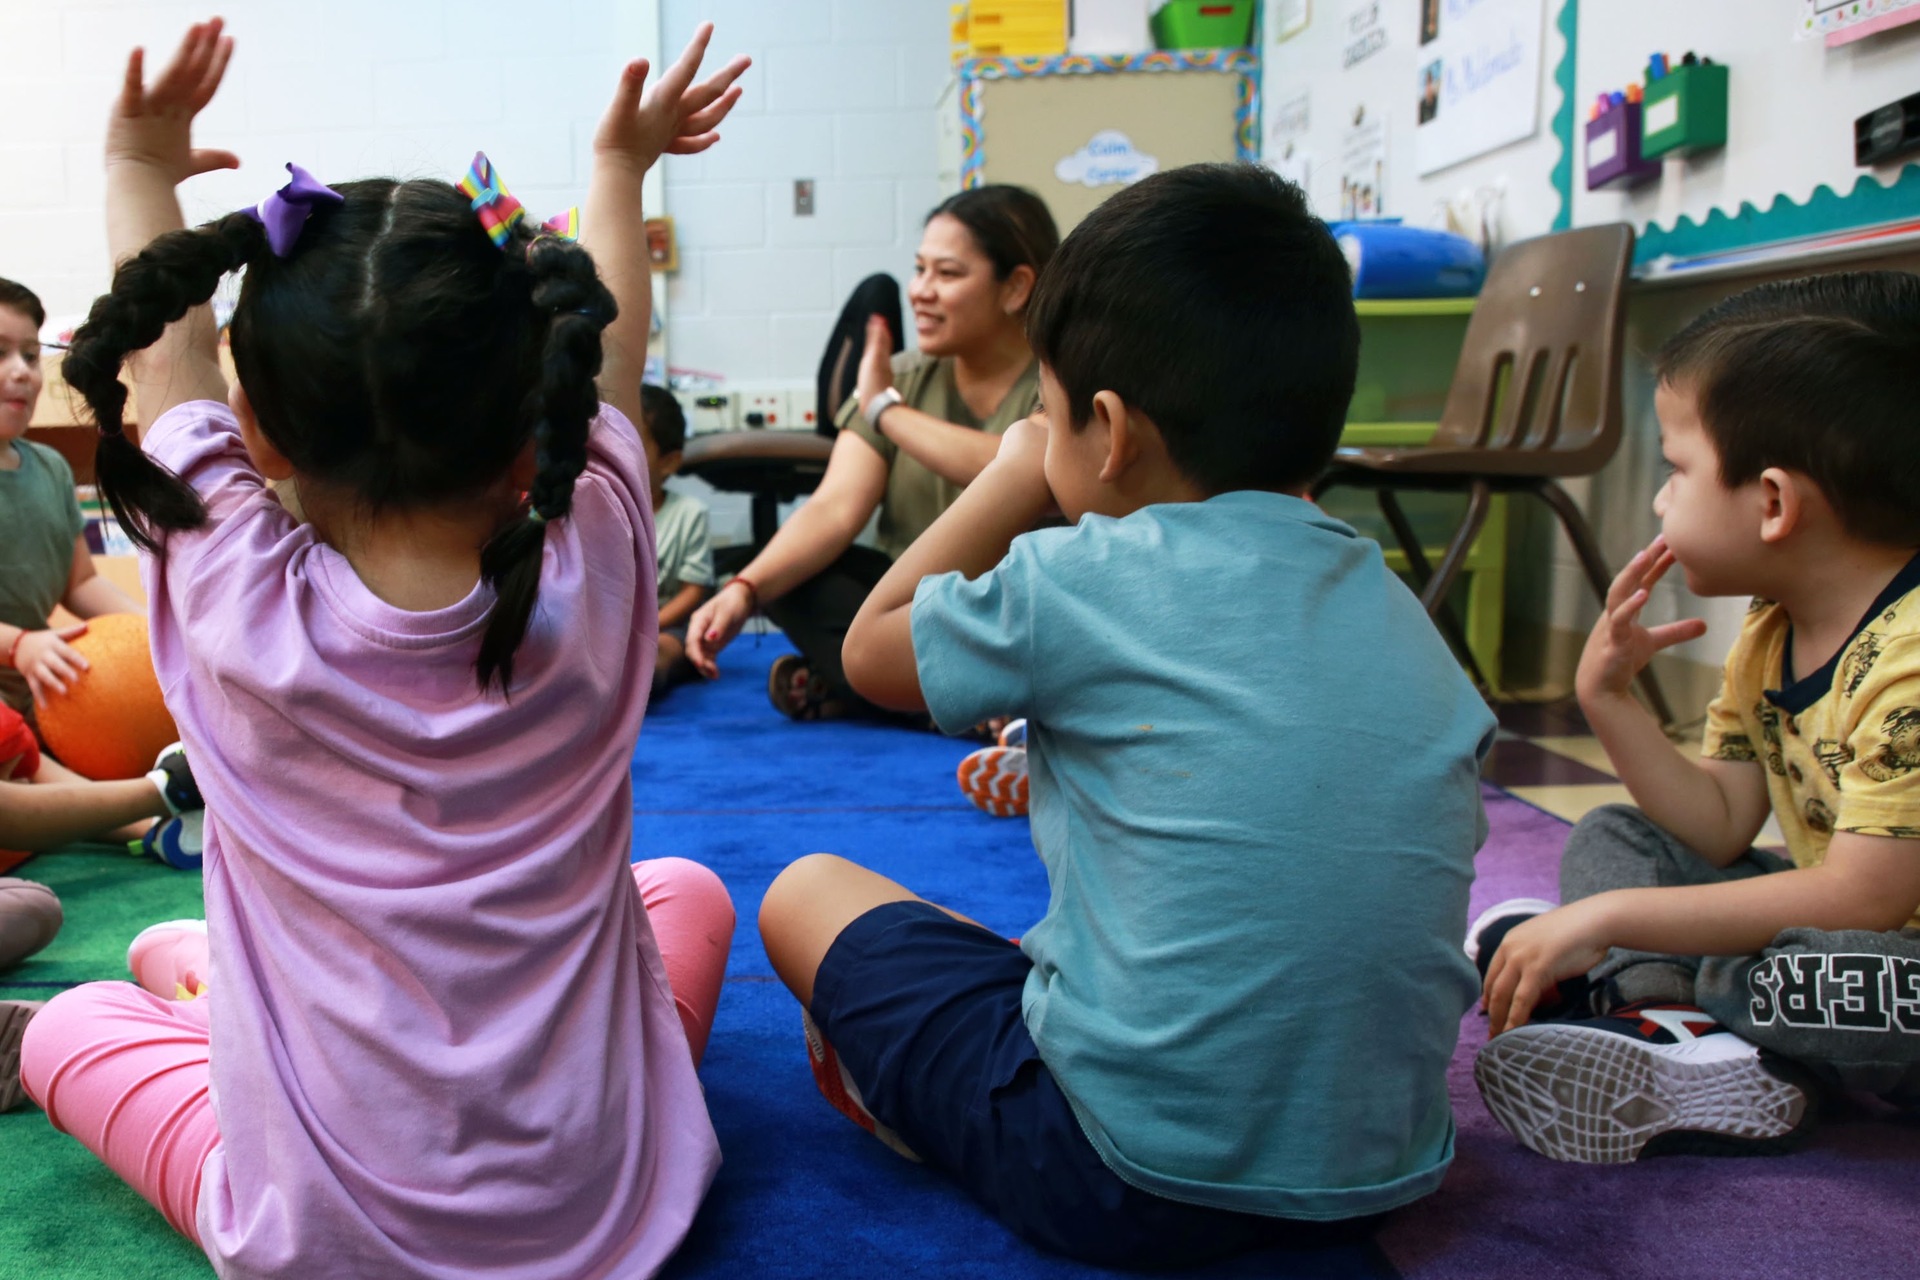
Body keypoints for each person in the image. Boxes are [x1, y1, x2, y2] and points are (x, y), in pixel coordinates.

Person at [18, 20, 749, 1277]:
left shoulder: (230, 588)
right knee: (685, 891)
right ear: (540, 425)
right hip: (602, 1209)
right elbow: (617, 356)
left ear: (262, 436)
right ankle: (201, 973)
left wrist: (138, 164)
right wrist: (620, 171)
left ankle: (193, 981)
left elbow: (167, 356)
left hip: (318, 1226)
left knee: (68, 1025)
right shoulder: (607, 561)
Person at [757, 164, 1495, 1268]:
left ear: (1106, 432)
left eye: (1043, 418)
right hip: (1378, 1167)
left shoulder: (1087, 572)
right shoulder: (1399, 606)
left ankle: (921, 1098)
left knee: (804, 892)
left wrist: (1011, 480)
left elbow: (867, 651)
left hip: (1119, 1171)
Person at [1472, 271, 1920, 1165]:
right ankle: (1689, 1035)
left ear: (1775, 503)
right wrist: (1607, 699)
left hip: (1882, 965)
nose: (1659, 501)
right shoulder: (1771, 625)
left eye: (1675, 470)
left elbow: (1865, 899)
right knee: (1620, 837)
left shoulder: (1911, 661)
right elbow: (1716, 827)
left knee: (1814, 974)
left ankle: (1659, 1003)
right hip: (1841, 924)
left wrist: (1610, 922)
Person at [685, 185, 1059, 721]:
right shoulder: (901, 376)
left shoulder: (1059, 380)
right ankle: (970, 710)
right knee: (787, 572)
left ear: (1016, 286)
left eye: (947, 274)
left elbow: (1022, 466)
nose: (920, 292)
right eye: (919, 269)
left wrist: (887, 411)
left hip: (1013, 608)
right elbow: (835, 508)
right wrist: (744, 591)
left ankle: (881, 694)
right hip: (914, 613)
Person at [1, 276, 145, 749]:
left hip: (40, 682)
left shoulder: (50, 468)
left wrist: (151, 629)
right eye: (0, 353)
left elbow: (80, 583)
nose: (21, 371)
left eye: (29, 354)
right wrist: (18, 645)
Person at [641, 383, 713, 698]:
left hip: (666, 625)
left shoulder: (689, 513)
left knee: (668, 649)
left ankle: (645, 677)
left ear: (668, 462)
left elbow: (693, 592)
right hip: (606, 631)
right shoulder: (595, 511)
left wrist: (647, 627)